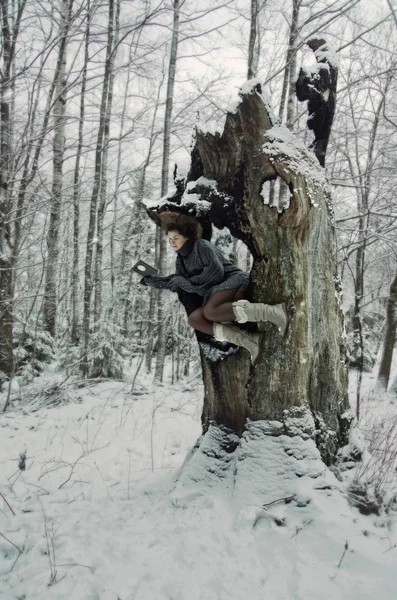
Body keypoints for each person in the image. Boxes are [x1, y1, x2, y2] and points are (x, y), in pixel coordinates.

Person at [140, 213, 287, 363]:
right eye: (170, 239)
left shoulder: (201, 246)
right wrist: (151, 281)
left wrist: (187, 283)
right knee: (195, 319)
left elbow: (216, 273)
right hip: (215, 294)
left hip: (234, 280)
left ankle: (273, 312)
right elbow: (176, 281)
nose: (172, 242)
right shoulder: (181, 261)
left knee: (210, 310)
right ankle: (251, 342)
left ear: (188, 236)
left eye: (176, 238)